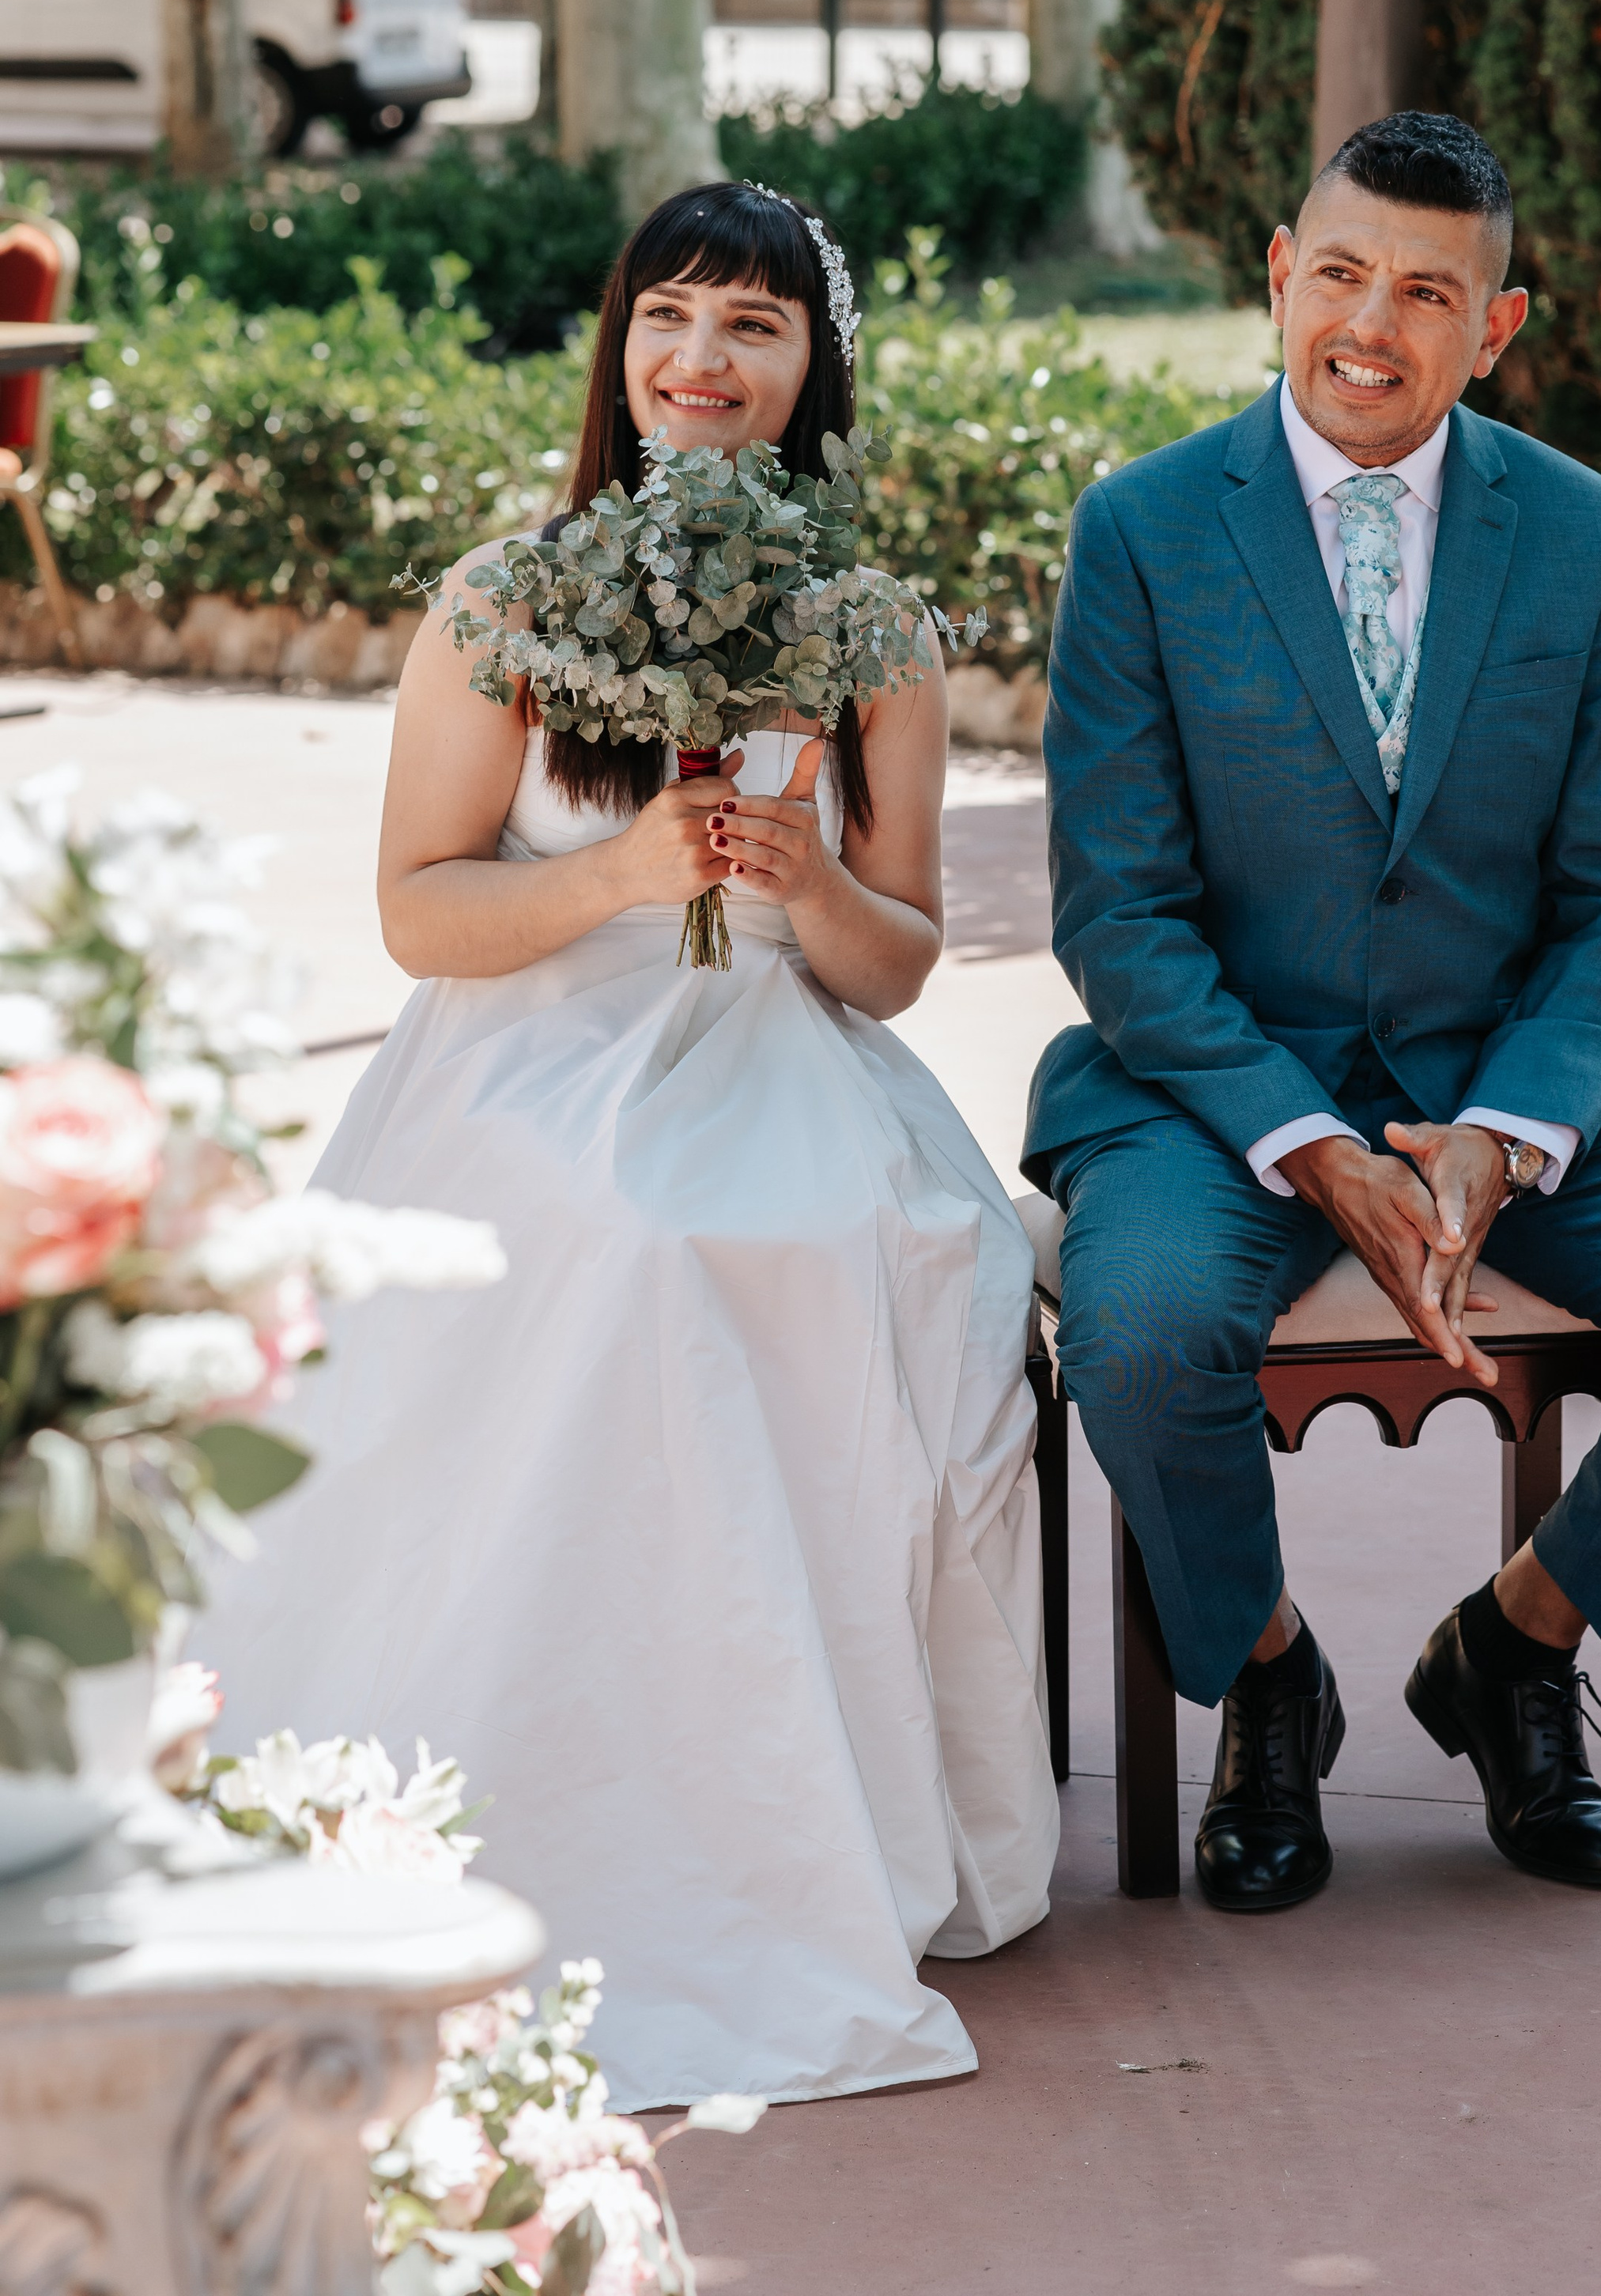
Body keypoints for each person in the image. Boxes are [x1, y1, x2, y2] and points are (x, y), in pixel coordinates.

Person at [201, 179, 1058, 2105]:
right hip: (527, 1042)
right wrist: (618, 870)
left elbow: (898, 962)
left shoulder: (872, 629)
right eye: (669, 313)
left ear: (812, 367)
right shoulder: (501, 595)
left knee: (849, 1248)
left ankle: (766, 1810)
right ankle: (551, 1791)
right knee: (621, 1235)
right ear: (618, 344)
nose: (701, 358)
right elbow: (419, 910)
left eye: (753, 324)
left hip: (778, 1041)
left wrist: (804, 883)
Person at [1026, 111, 1601, 1913]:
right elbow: (1120, 915)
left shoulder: (1586, 535)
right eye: (1338, 272)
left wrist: (1500, 1131)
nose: (1369, 322)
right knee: (1142, 1334)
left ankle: (1513, 1642)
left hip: (1520, 1079)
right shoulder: (1143, 529)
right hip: (1212, 1087)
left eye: (1425, 291)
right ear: (1277, 276)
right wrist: (1313, 1145)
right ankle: (1269, 1675)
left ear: (1495, 327)